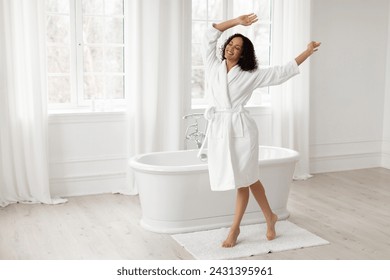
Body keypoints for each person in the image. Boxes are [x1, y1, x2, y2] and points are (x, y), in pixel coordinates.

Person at [201, 13, 320, 248]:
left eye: (237, 47)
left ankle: (234, 230)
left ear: (243, 54)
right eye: (230, 45)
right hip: (220, 129)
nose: (231, 49)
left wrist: (307, 52)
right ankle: (270, 217)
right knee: (250, 178)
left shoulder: (250, 75)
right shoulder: (212, 65)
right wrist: (236, 22)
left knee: (243, 181)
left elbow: (282, 72)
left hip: (242, 130)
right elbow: (209, 35)